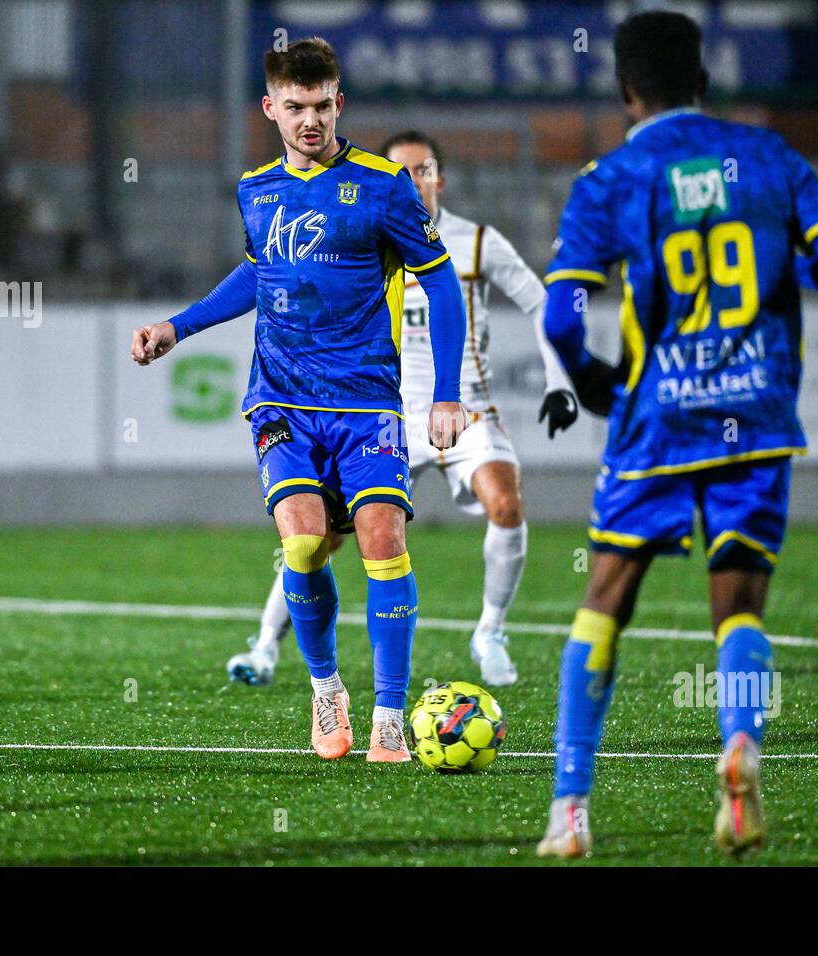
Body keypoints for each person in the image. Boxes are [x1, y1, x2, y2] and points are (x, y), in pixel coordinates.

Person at [534, 11, 818, 858]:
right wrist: (777, 271)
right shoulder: (769, 158)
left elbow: (562, 314)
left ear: (624, 91)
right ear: (706, 81)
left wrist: (592, 381)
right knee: (739, 603)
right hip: (757, 416)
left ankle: (569, 813)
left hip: (657, 419)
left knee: (604, 601)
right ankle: (739, 747)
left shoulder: (611, 177)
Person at [131, 38, 468, 763]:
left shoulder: (383, 185)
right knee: (305, 543)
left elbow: (440, 281)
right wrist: (176, 327)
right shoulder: (256, 189)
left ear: (338, 103)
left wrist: (446, 395)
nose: (309, 121)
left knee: (383, 539)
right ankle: (326, 689)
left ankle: (387, 713)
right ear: (270, 108)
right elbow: (258, 273)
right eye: (295, 108)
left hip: (366, 400)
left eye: (321, 106)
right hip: (280, 399)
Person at [226, 130, 578, 689]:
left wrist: (560, 382)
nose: (415, 180)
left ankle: (489, 631)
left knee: (507, 505)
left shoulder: (476, 242)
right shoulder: (364, 229)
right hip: (380, 412)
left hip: (462, 408)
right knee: (319, 537)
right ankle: (265, 646)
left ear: (440, 177)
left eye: (425, 169)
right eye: (404, 170)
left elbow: (542, 302)